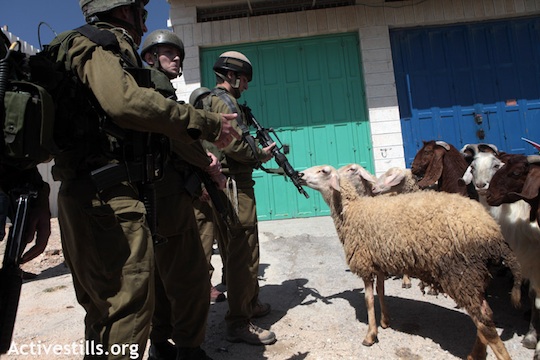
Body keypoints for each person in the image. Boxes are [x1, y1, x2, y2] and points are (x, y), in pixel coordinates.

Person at [51, 1, 238, 359]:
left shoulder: (77, 49)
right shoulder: (99, 46)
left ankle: (172, 345)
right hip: (108, 194)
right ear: (124, 11)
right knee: (127, 306)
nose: (143, 24)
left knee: (110, 304)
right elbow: (130, 106)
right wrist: (209, 127)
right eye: (142, 14)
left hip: (97, 190)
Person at [140, 29, 226, 360]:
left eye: (179, 53)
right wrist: (208, 163)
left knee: (160, 276)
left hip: (153, 195)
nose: (177, 57)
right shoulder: (158, 88)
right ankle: (189, 348)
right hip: (168, 198)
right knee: (191, 277)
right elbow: (178, 137)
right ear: (150, 57)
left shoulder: (142, 87)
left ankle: (160, 343)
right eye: (168, 52)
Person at [206, 51, 277, 345]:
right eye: (244, 80)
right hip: (234, 184)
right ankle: (238, 322)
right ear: (232, 76)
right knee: (243, 255)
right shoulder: (225, 101)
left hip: (223, 184)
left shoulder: (213, 100)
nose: (246, 86)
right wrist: (261, 154)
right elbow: (235, 144)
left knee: (233, 249)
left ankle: (248, 304)